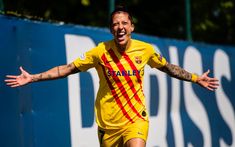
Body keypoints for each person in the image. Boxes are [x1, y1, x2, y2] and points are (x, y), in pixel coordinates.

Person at [5, 5, 219, 147]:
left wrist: (194, 78)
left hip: (136, 119)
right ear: (111, 29)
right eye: (116, 24)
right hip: (107, 127)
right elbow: (68, 68)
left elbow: (168, 67)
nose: (120, 27)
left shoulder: (145, 50)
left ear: (131, 27)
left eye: (124, 23)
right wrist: (33, 77)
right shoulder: (100, 52)